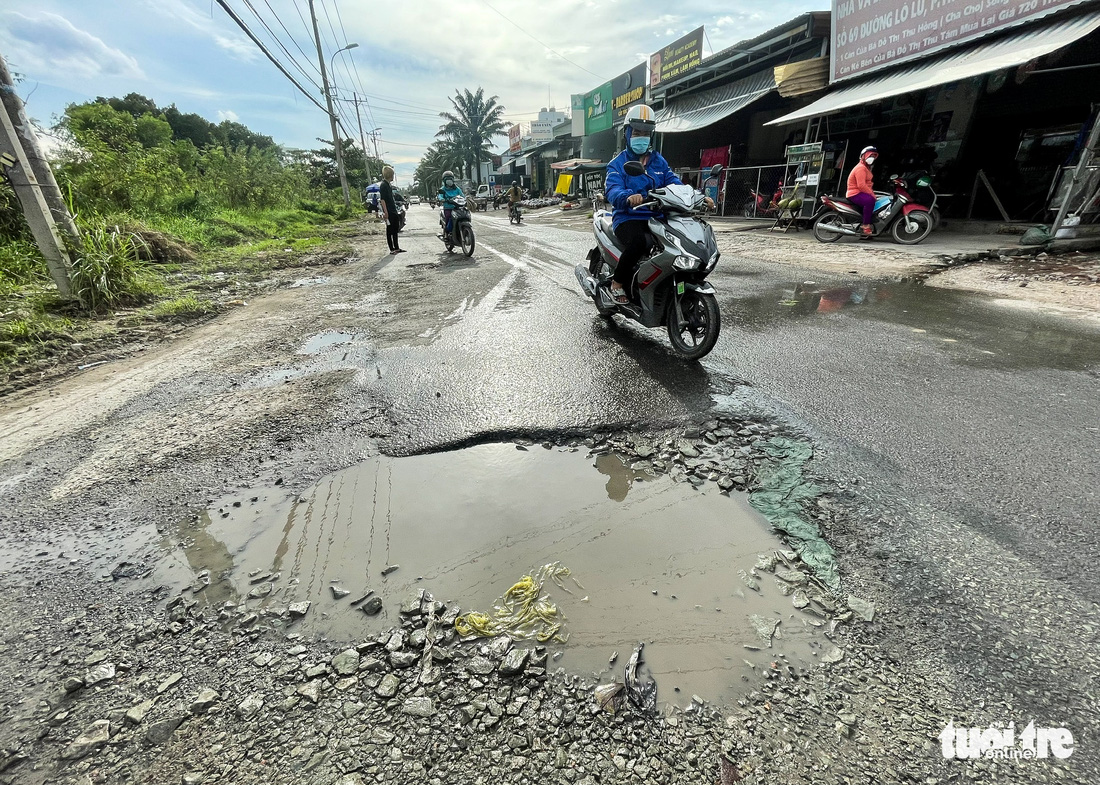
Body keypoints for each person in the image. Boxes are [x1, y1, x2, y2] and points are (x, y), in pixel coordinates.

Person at [604, 103, 712, 304]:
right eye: (637, 132)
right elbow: (612, 189)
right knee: (639, 242)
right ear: (627, 134)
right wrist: (628, 196)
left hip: (657, 217)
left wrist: (698, 196)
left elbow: (675, 183)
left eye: (646, 133)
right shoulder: (617, 163)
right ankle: (617, 284)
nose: (641, 137)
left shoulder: (658, 161)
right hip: (629, 217)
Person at [846, 146, 879, 237]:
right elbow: (861, 185)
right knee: (870, 201)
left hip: (860, 192)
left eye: (873, 156)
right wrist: (872, 194)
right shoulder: (861, 168)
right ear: (863, 156)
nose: (871, 158)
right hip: (854, 193)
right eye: (869, 155)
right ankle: (865, 226)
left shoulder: (866, 168)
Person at [379, 166, 403, 254]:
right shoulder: (383, 185)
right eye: (392, 174)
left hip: (393, 209)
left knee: (395, 228)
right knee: (390, 230)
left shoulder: (388, 185)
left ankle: (396, 247)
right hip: (388, 210)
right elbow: (383, 200)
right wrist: (386, 212)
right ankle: (392, 249)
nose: (393, 176)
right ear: (390, 175)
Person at [438, 170, 464, 237]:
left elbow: (462, 195)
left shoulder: (457, 188)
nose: (449, 180)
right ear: (444, 180)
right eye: (447, 179)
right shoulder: (442, 189)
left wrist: (466, 199)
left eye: (450, 178)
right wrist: (442, 199)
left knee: (464, 215)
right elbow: (440, 196)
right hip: (448, 207)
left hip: (457, 207)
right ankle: (447, 233)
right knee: (449, 217)